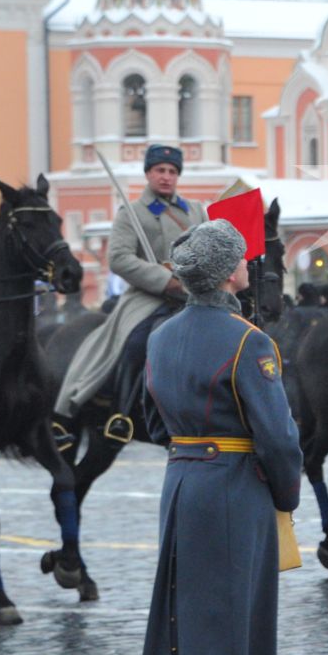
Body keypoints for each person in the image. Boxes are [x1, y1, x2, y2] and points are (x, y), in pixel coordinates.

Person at [139, 219, 301, 655]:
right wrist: (286, 495)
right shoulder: (246, 339)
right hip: (231, 489)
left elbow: (153, 423)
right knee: (209, 636)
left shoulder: (159, 335)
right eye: (242, 259)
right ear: (230, 271)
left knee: (180, 636)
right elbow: (278, 440)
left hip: (181, 482)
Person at [54, 145, 205, 445]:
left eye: (172, 171)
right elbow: (120, 258)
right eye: (159, 170)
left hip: (194, 294)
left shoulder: (196, 211)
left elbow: (206, 250)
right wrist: (165, 281)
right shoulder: (132, 213)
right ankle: (121, 413)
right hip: (148, 298)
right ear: (148, 173)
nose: (166, 177)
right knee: (138, 341)